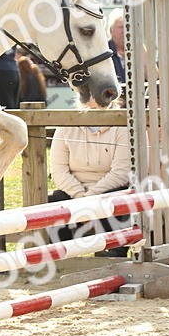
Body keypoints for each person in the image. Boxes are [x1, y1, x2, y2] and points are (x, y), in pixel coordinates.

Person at [48, 94, 133, 244]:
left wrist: (89, 201)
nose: (93, 94)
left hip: (109, 192)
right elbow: (58, 171)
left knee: (118, 201)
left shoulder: (122, 124)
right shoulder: (66, 125)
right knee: (54, 201)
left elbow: (120, 173)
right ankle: (63, 260)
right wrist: (80, 199)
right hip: (75, 194)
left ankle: (112, 257)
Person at [107, 7, 127, 84]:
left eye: (128, 27)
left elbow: (156, 80)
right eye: (121, 27)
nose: (125, 31)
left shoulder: (138, 51)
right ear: (111, 30)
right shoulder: (105, 52)